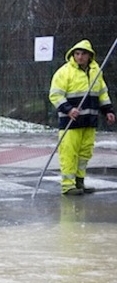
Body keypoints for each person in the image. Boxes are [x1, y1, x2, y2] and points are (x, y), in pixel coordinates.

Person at [49, 39, 116, 195]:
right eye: (77, 54)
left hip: (89, 121)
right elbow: (55, 94)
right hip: (71, 122)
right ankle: (68, 185)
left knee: (85, 153)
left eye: (83, 54)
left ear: (89, 56)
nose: (79, 57)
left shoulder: (96, 71)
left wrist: (108, 111)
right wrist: (68, 109)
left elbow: (102, 93)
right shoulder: (64, 72)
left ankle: (79, 182)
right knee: (69, 154)